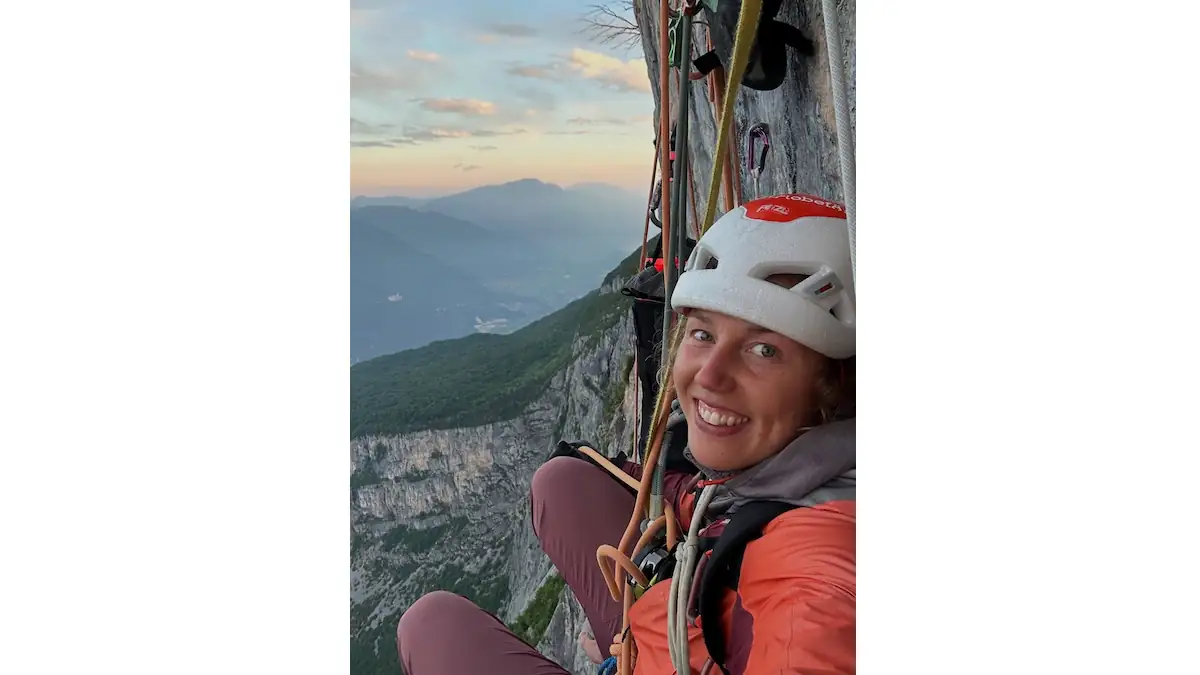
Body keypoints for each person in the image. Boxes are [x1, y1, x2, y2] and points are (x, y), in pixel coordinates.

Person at [395, 192, 856, 675]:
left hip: (673, 644)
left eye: (764, 350)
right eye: (703, 334)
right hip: (678, 624)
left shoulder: (819, 591)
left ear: (836, 383)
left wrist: (639, 640)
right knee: (563, 483)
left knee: (430, 628)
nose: (710, 376)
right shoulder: (801, 468)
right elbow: (732, 503)